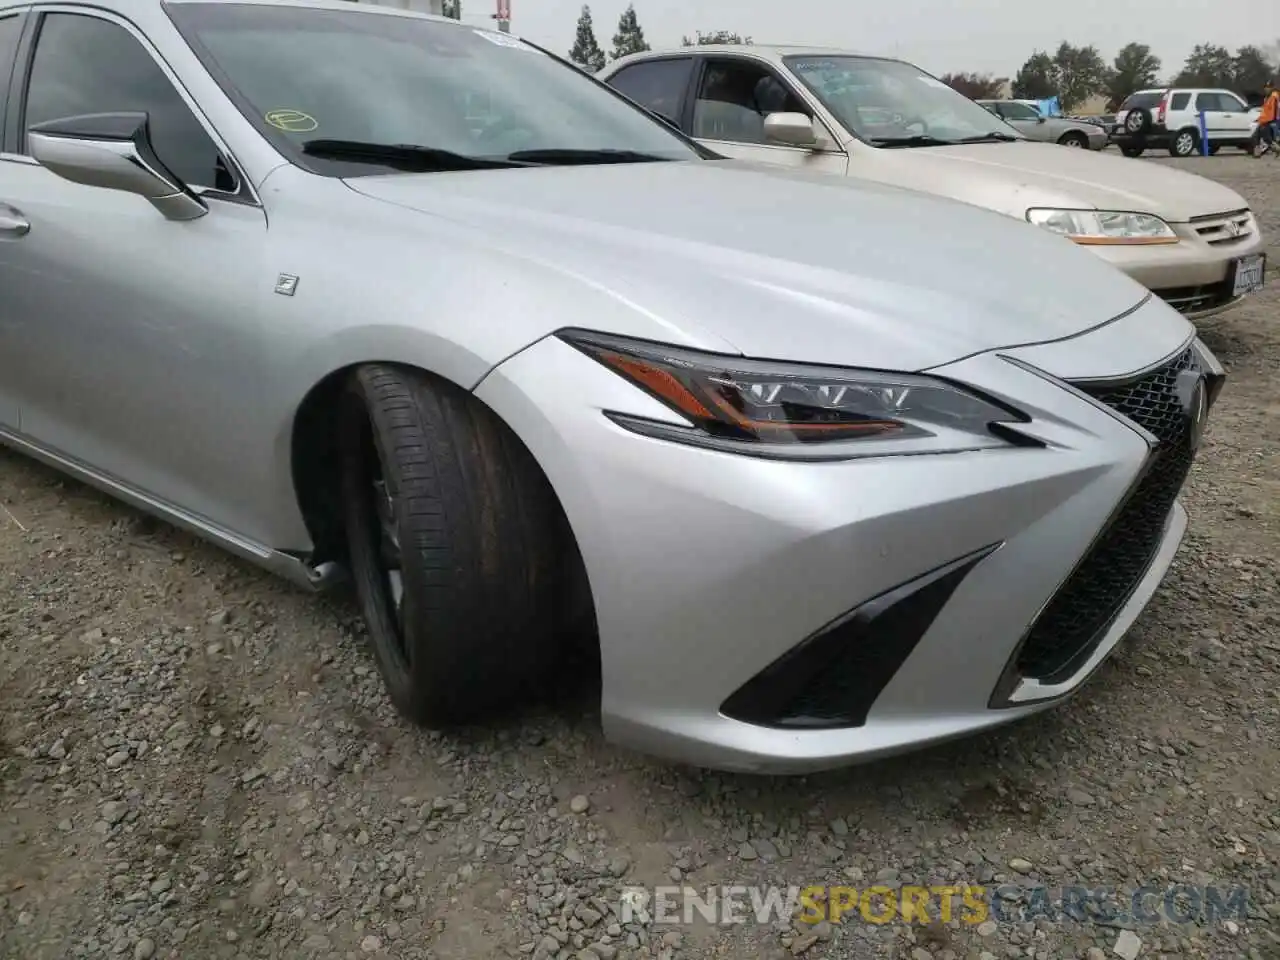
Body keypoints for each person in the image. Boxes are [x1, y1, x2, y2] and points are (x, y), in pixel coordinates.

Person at [1254, 79, 1279, 157]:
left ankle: (1277, 149)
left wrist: (1271, 121)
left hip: (1271, 120)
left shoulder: (1274, 97)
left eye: (1269, 87)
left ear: (1272, 88)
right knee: (1257, 135)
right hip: (1265, 120)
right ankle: (1258, 152)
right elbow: (1265, 111)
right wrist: (1259, 119)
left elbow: (1273, 112)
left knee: (1266, 137)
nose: (1266, 89)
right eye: (1266, 87)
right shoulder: (1266, 98)